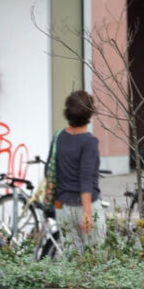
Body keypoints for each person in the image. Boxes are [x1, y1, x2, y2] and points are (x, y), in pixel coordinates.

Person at [52, 89, 106, 247]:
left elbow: (51, 170)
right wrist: (88, 213)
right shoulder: (89, 142)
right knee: (95, 260)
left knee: (72, 261)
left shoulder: (59, 137)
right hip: (85, 207)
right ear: (89, 114)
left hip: (63, 208)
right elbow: (86, 177)